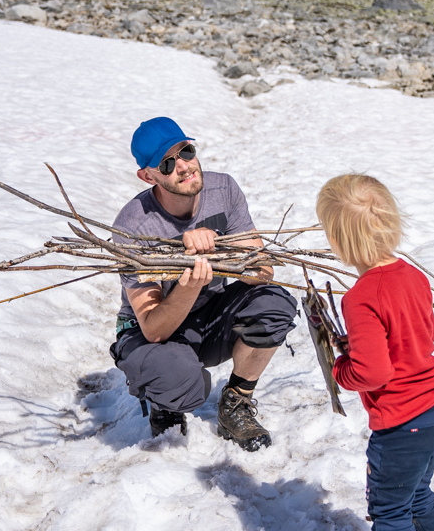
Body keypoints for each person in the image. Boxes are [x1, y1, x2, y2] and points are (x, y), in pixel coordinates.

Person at [316, 174, 434, 531]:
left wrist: (343, 370)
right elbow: (419, 336)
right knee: (418, 495)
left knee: (390, 508)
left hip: (402, 426)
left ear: (338, 241)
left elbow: (374, 373)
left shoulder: (361, 298)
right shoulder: (413, 276)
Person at [111, 116, 297, 450]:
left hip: (208, 314)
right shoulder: (133, 226)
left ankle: (236, 402)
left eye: (186, 151)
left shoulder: (223, 190)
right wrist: (190, 277)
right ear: (146, 175)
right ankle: (166, 404)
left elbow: (264, 271)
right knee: (180, 380)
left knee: (274, 302)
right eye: (167, 164)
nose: (182, 166)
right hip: (151, 333)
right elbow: (153, 329)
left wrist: (220, 249)